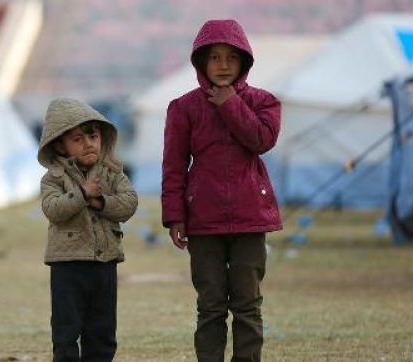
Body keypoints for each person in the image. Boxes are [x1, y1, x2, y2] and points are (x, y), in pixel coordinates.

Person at [161, 19, 283, 362]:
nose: (224, 65)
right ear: (201, 62)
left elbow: (262, 140)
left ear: (245, 60)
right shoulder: (184, 108)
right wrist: (174, 216)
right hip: (203, 222)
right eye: (214, 57)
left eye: (231, 57)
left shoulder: (264, 103)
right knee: (211, 307)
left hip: (250, 220)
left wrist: (231, 104)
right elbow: (173, 167)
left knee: (247, 306)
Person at [38, 97, 138, 362]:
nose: (88, 144)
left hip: (105, 264)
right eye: (78, 139)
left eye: (93, 136)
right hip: (67, 267)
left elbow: (129, 203)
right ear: (60, 144)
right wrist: (81, 194)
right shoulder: (53, 179)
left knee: (102, 331)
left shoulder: (113, 173)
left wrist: (102, 201)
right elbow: (53, 209)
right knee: (66, 331)